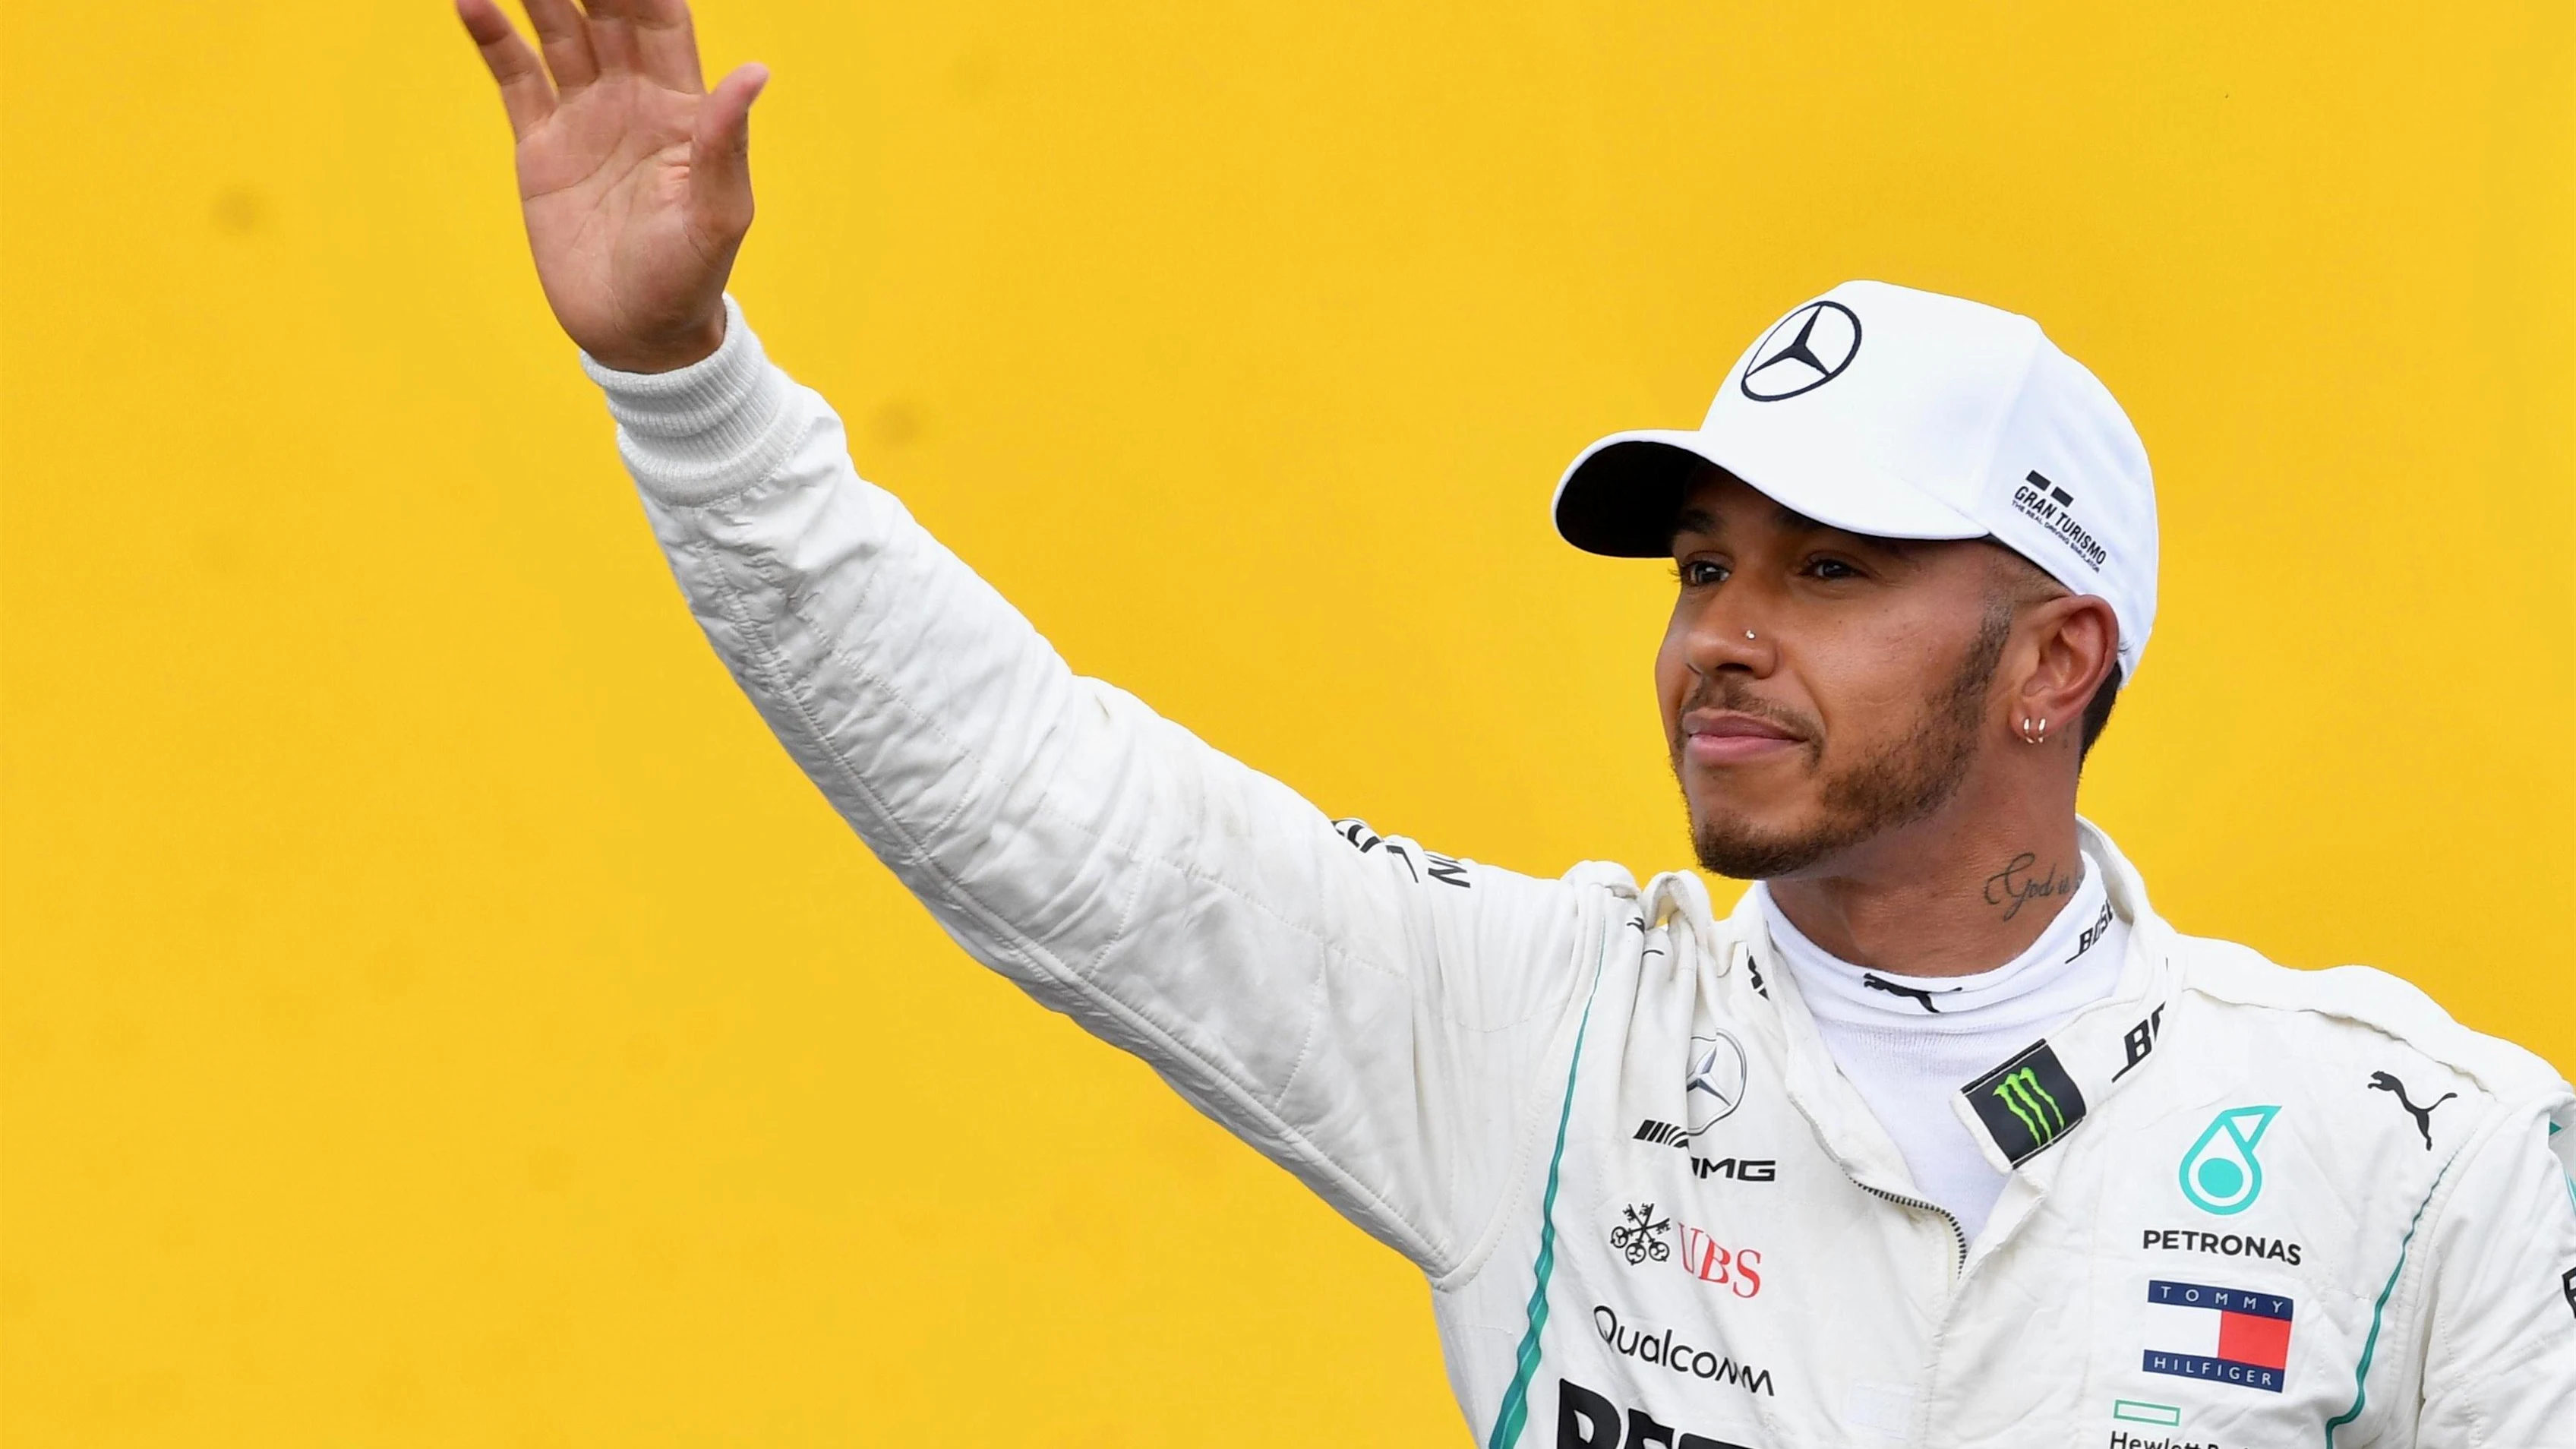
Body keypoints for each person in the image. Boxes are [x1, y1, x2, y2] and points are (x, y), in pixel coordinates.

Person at [456, 4, 2576, 1444]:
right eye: (1701, 567)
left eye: (1830, 570)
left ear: (2056, 663)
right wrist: (688, 383)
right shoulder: (1548, 1033)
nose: (1724, 636)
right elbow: (1041, 800)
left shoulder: (2427, 1150)